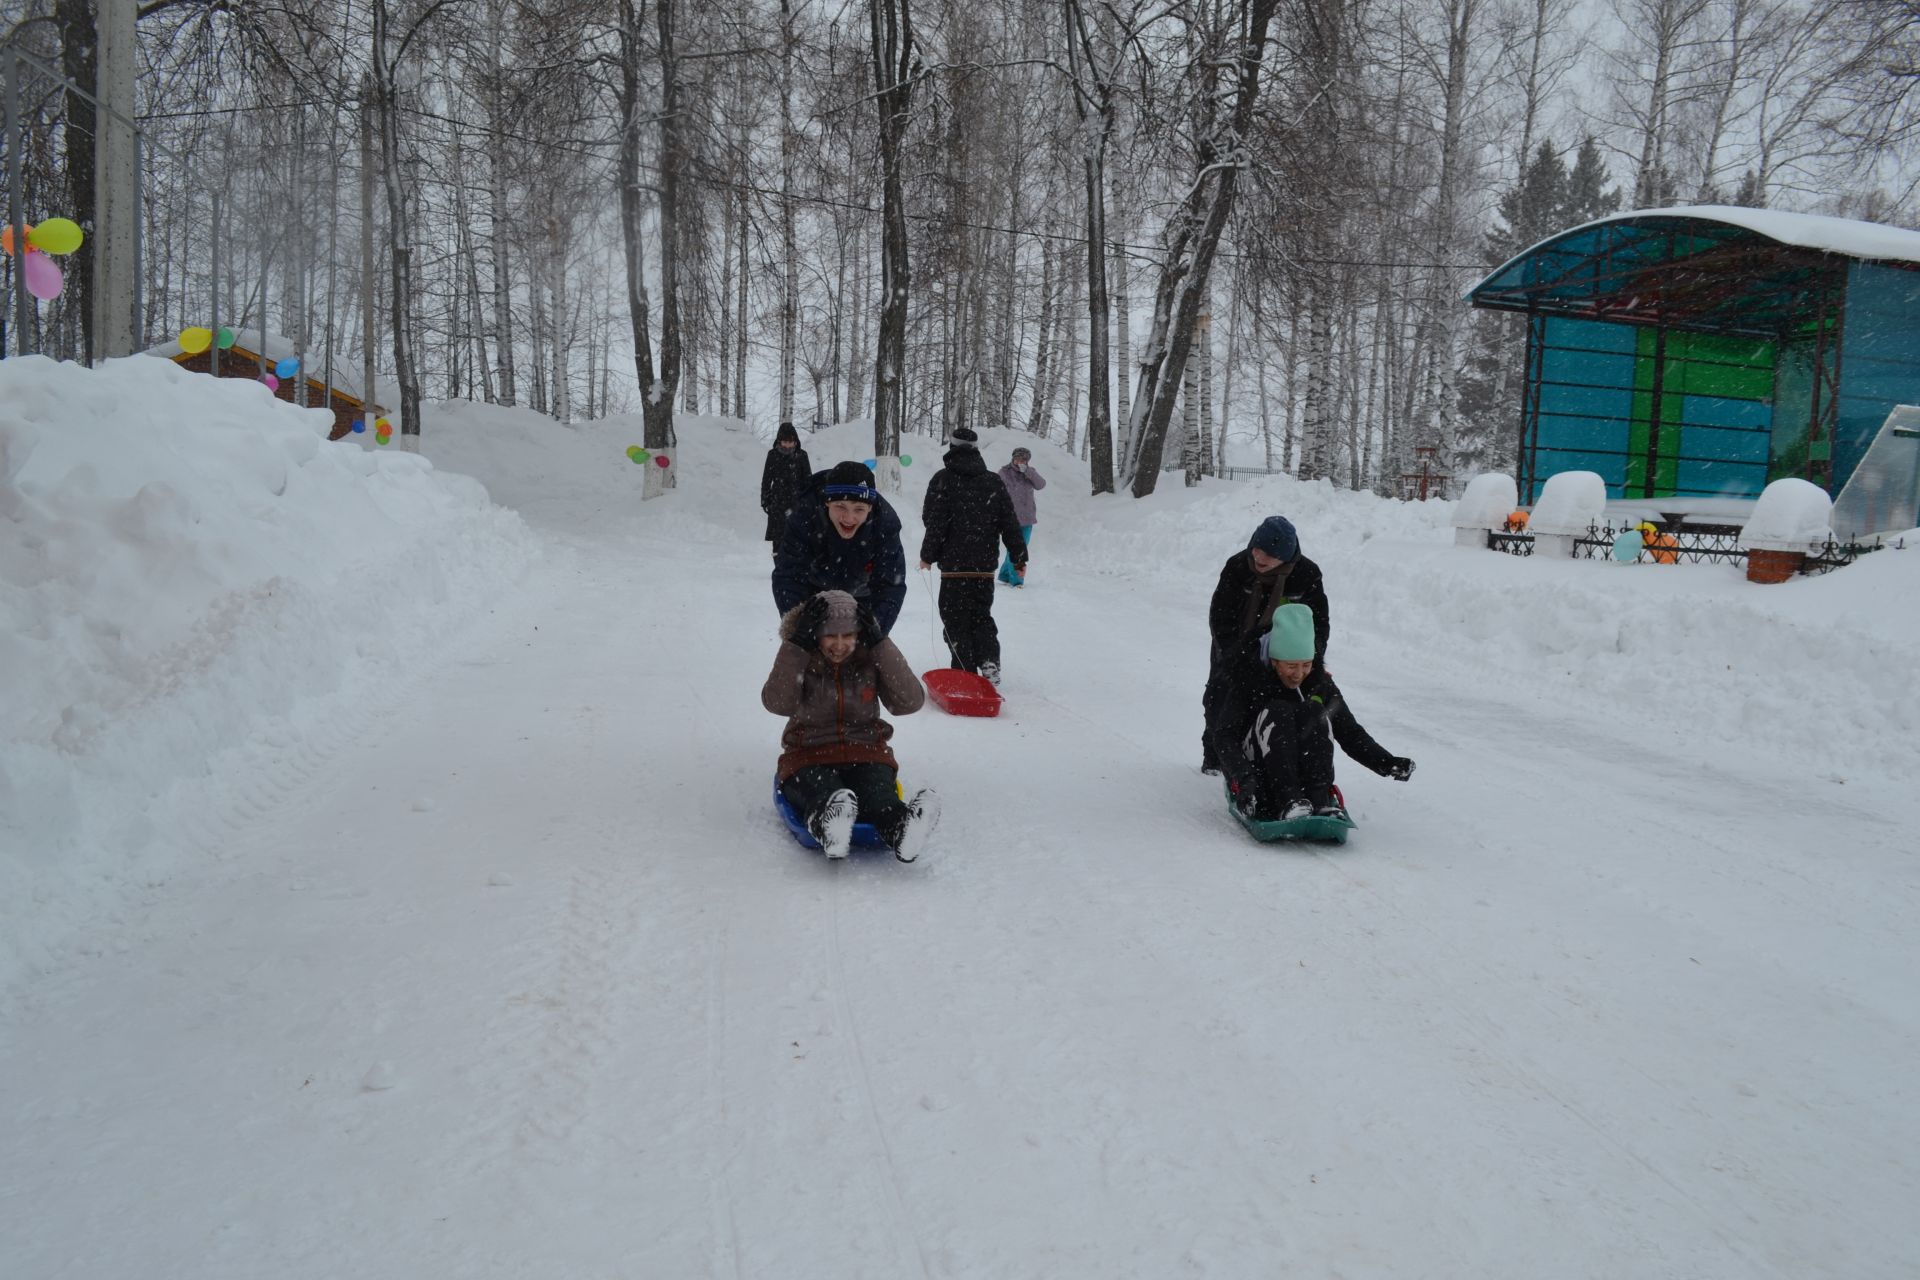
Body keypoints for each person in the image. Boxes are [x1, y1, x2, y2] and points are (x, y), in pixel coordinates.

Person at [762, 589, 940, 861]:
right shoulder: (802, 660)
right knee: (825, 792)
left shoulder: (871, 660)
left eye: (848, 636)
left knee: (878, 796)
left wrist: (881, 644)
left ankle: (902, 829)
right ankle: (829, 823)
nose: (839, 644)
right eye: (830, 635)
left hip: (866, 752)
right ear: (814, 634)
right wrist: (795, 647)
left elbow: (909, 702)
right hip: (808, 755)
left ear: (860, 635)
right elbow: (777, 703)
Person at [1207, 603, 1414, 821]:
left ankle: (1318, 799)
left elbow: (1349, 730)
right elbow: (1224, 735)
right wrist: (1242, 777)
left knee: (1314, 710)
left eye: (1306, 665)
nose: (1298, 674)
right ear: (1274, 660)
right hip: (1256, 770)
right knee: (1279, 710)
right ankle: (1287, 799)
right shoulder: (1248, 678)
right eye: (1291, 666)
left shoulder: (1318, 682)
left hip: (1299, 768)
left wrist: (1386, 762)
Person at [1200, 515, 1331, 773]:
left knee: (1280, 705)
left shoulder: (1307, 574)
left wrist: (1310, 658)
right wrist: (1232, 656)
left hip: (1284, 652)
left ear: (1284, 556)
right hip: (1235, 648)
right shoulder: (1238, 566)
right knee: (1220, 698)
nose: (1259, 557)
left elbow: (1318, 622)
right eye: (1256, 549)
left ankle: (1272, 757)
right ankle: (1215, 756)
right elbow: (1220, 616)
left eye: (1268, 554)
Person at [917, 426, 1027, 684]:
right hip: (983, 566)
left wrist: (928, 555)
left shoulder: (942, 479)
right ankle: (989, 658)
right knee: (980, 615)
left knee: (954, 617)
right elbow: (1009, 522)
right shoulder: (992, 481)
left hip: (954, 567)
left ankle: (964, 668)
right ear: (976, 450)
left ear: (952, 448)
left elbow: (932, 520)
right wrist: (1019, 557)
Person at [772, 460, 909, 636]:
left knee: (865, 654)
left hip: (862, 597)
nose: (849, 518)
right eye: (840, 507)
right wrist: (799, 626)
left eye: (859, 509)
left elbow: (890, 586)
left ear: (870, 508)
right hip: (814, 594)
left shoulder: (885, 523)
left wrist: (876, 629)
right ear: (827, 502)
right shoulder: (805, 514)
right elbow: (789, 576)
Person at [759, 421, 813, 556]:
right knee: (778, 538)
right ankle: (779, 567)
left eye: (791, 442)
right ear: (779, 441)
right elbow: (766, 480)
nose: (788, 445)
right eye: (785, 442)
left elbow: (808, 480)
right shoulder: (772, 455)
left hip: (797, 502)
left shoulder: (802, 455)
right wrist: (766, 501)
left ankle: (794, 566)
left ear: (795, 441)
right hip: (777, 503)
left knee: (797, 536)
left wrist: (808, 501)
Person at [995, 446, 1046, 587]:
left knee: (1019, 548)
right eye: (1017, 458)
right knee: (1015, 548)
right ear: (1013, 458)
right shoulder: (1004, 472)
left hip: (1027, 518)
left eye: (1023, 459)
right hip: (1009, 518)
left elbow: (1041, 485)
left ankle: (1005, 575)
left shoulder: (1030, 472)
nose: (1020, 461)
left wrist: (1028, 472)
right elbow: (996, 491)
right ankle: (1017, 581)